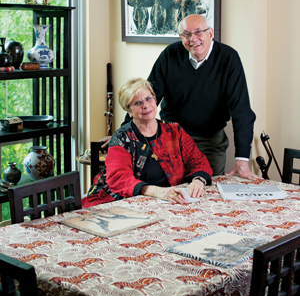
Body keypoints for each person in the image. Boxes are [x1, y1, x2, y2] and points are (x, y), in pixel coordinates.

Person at [100, 14, 258, 180]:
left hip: (209, 141)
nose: (193, 39)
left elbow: (242, 110)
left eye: (198, 32)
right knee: (167, 190)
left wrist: (242, 159)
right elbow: (146, 97)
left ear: (210, 33)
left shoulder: (229, 58)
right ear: (180, 37)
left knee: (207, 190)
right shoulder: (170, 55)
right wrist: (125, 133)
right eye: (186, 34)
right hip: (169, 138)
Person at [82, 78, 212, 208]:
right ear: (129, 111)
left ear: (155, 100)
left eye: (148, 99)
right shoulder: (122, 138)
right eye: (137, 103)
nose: (145, 105)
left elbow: (198, 161)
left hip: (171, 201)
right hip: (129, 202)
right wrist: (157, 191)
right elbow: (120, 179)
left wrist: (198, 181)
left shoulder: (175, 131)